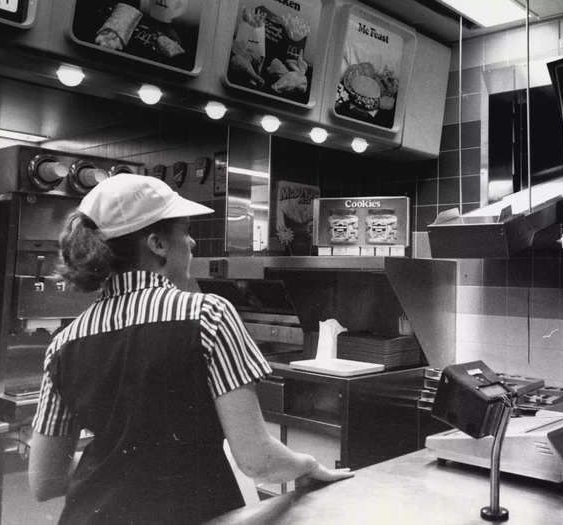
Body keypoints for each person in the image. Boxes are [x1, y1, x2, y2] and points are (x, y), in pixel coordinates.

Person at [28, 174, 352, 524]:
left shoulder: (64, 344)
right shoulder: (208, 315)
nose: (193, 242)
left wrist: (120, 465)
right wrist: (308, 464)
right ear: (157, 244)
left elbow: (44, 481)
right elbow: (257, 460)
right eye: (184, 230)